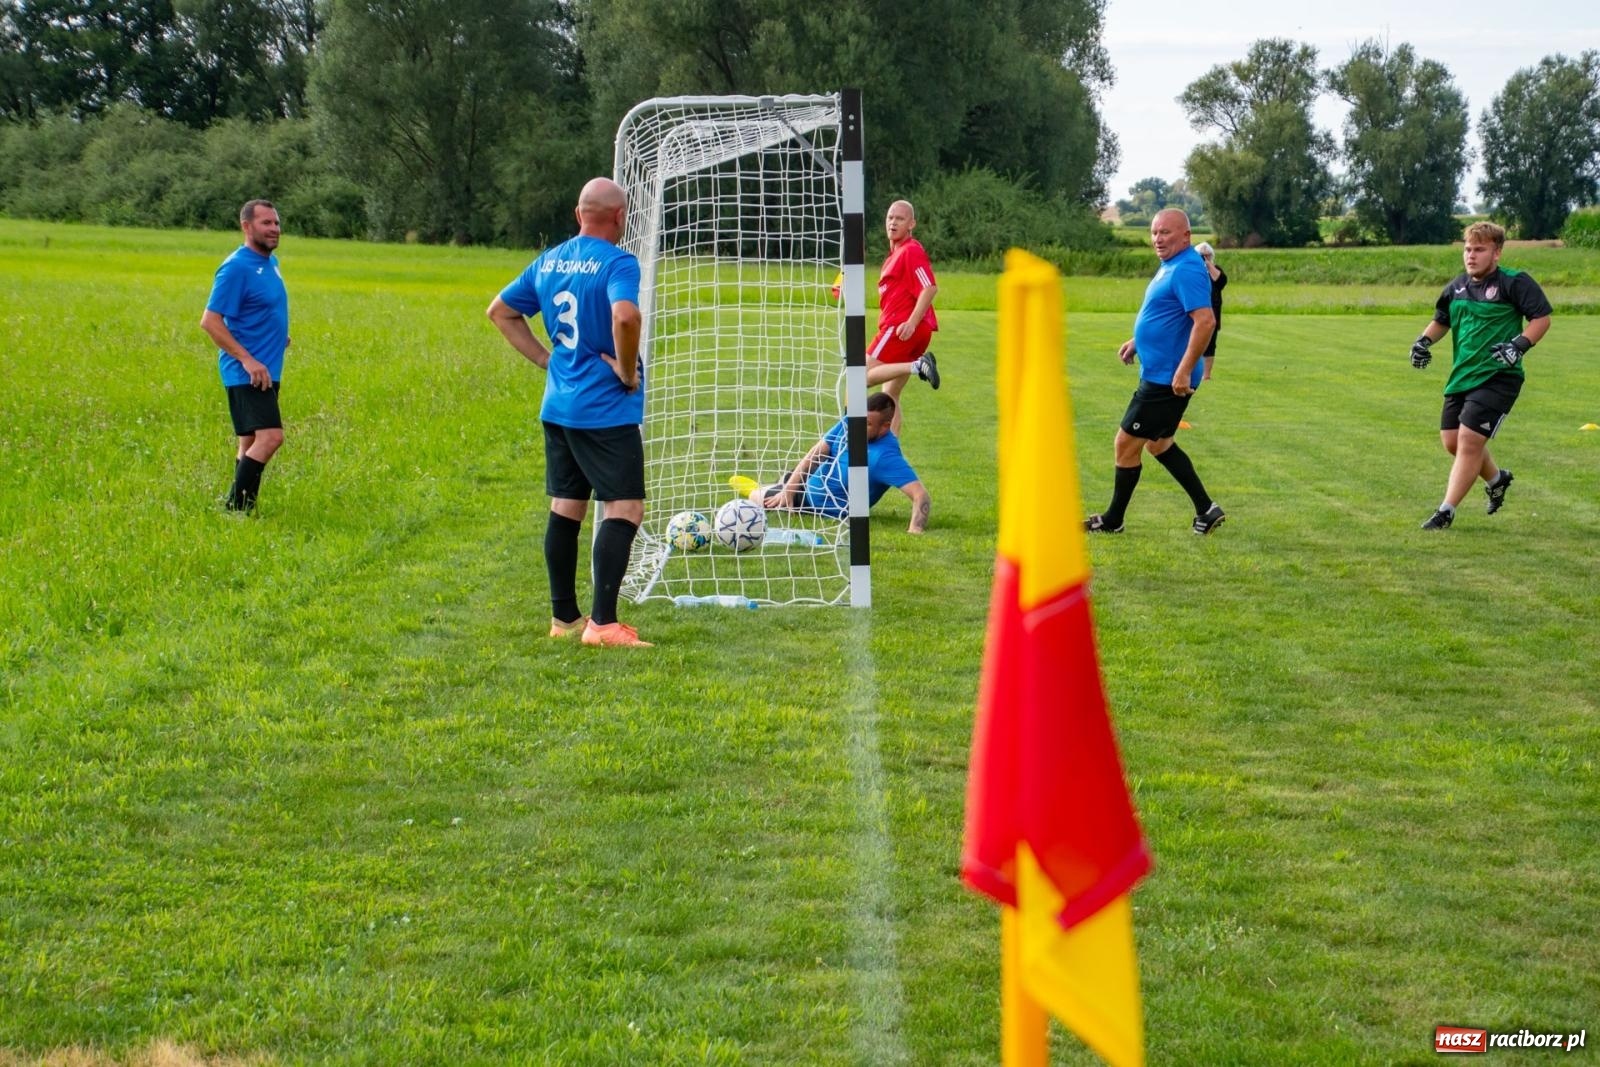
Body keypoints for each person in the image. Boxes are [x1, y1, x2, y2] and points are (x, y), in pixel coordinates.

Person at [487, 177, 651, 647]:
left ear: (579, 214)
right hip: (603, 408)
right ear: (620, 217)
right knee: (624, 506)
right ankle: (602, 624)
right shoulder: (618, 261)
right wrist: (625, 371)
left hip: (559, 404)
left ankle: (564, 619)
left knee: (567, 505)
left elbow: (499, 311)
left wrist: (546, 359)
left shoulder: (550, 258)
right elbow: (625, 316)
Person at [1085, 208, 1225, 535]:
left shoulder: (1188, 268)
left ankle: (1113, 520)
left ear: (1187, 236)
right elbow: (1169, 314)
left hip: (1165, 381)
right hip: (1161, 373)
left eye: (1166, 233)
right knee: (1159, 445)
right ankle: (1207, 509)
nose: (1158, 239)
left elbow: (1205, 322)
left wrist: (1184, 370)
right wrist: (1139, 339)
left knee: (1125, 443)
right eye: (1154, 233)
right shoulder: (1171, 266)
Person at [1410, 221, 1552, 530]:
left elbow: (1541, 318)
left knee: (1470, 440)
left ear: (1497, 253)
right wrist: (1422, 342)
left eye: (1479, 249)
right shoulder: (1457, 287)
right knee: (1452, 442)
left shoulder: (1514, 282)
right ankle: (1497, 479)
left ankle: (1445, 512)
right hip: (1462, 376)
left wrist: (1519, 345)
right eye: (1467, 249)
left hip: (1500, 377)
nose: (1471, 256)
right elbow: (1441, 320)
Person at [201, 199, 290, 513]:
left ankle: (242, 508)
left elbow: (260, 308)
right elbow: (210, 321)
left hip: (268, 366)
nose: (274, 229)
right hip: (247, 371)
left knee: (250, 442)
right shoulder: (236, 267)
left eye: (276, 223)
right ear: (246, 226)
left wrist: (279, 335)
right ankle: (235, 509)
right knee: (271, 437)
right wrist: (247, 359)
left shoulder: (270, 263)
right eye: (266, 223)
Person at [747, 392, 930, 534]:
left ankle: (772, 488)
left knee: (754, 496)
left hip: (815, 501)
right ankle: (782, 486)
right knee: (787, 480)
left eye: (867, 424)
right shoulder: (850, 422)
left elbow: (921, 495)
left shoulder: (884, 457)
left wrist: (915, 528)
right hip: (813, 476)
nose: (857, 427)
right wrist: (790, 488)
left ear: (885, 426)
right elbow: (816, 454)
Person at [865, 200, 941, 434]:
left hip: (901, 329)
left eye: (900, 218)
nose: (893, 222)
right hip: (913, 331)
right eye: (890, 218)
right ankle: (891, 452)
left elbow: (929, 288)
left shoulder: (910, 251)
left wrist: (911, 322)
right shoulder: (894, 255)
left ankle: (917, 366)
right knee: (891, 395)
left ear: (911, 224)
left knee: (859, 377)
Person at [1195, 241, 1227, 380]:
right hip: (1196, 310)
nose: (1205, 258)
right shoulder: (1193, 271)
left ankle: (1206, 375)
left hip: (1213, 311)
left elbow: (1221, 281)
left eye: (1208, 255)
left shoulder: (1215, 269)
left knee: (1210, 343)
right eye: (1202, 256)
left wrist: (1208, 264)